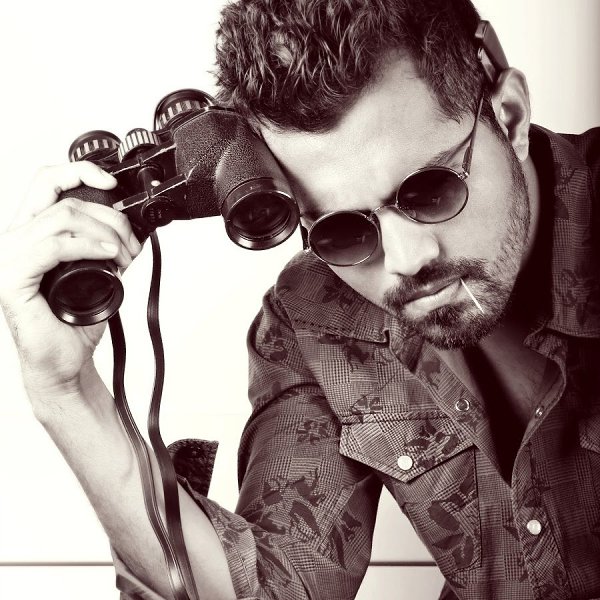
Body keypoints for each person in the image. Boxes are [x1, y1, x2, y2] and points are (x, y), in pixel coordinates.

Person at [1, 0, 599, 598]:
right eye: (344, 230)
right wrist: (65, 390)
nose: (405, 259)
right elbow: (269, 589)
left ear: (509, 116)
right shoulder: (315, 318)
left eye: (431, 190)